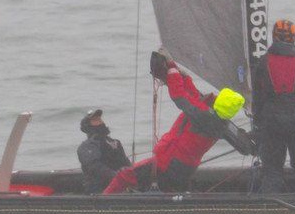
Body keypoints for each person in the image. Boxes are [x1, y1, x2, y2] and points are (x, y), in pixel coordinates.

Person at [104, 53, 246, 194]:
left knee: (123, 176)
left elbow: (179, 96)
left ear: (220, 101)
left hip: (168, 163)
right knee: (167, 190)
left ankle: (101, 203)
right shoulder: (221, 122)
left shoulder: (203, 115)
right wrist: (181, 74)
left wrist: (172, 70)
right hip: (185, 168)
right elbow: (193, 95)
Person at [253, 19, 295, 193]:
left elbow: (257, 98)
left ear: (273, 37)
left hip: (272, 124)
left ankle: (269, 205)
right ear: (294, 37)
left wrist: (259, 123)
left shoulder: (263, 62)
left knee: (272, 171)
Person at [77, 109, 132, 194]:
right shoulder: (87, 146)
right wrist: (117, 177)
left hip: (121, 186)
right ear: (88, 126)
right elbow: (94, 167)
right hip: (99, 190)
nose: (100, 121)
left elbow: (125, 162)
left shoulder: (115, 142)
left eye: (100, 119)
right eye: (95, 120)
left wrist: (131, 173)